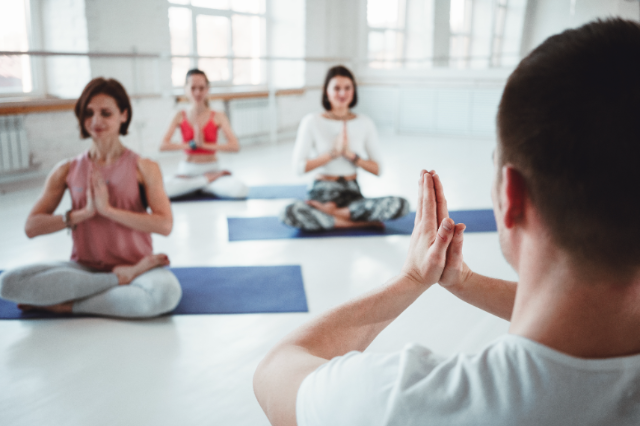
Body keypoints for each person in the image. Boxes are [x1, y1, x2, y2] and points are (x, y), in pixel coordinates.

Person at [254, 18, 640, 425]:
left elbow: (276, 370)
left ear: (512, 196)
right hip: (322, 194)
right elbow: (590, 310)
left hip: (351, 195)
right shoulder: (314, 124)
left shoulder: (407, 402)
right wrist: (465, 281)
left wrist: (411, 279)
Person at [0, 78, 182, 318]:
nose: (96, 121)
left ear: (124, 115)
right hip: (84, 270)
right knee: (9, 282)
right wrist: (82, 214)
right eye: (89, 113)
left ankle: (67, 305)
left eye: (106, 113)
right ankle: (116, 281)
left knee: (164, 295)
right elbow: (31, 227)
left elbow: (165, 225)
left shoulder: (144, 167)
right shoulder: (66, 169)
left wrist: (108, 211)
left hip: (139, 268)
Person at [280, 65, 409, 230]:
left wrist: (352, 156)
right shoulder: (311, 121)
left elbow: (378, 169)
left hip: (352, 193)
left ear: (353, 90)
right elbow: (299, 168)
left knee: (401, 204)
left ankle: (332, 215)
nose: (342, 93)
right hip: (321, 192)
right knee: (288, 212)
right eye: (336, 88)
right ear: (326, 91)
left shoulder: (365, 122)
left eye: (347, 88)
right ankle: (355, 222)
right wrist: (333, 153)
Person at [160, 68, 249, 199]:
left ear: (207, 89)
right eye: (193, 88)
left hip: (212, 168)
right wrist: (191, 145)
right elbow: (163, 145)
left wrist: (204, 145)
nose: (197, 92)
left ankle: (196, 185)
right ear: (186, 89)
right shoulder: (179, 115)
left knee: (241, 189)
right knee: (161, 190)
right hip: (187, 171)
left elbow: (235, 146)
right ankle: (206, 181)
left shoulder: (218, 115)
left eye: (201, 88)